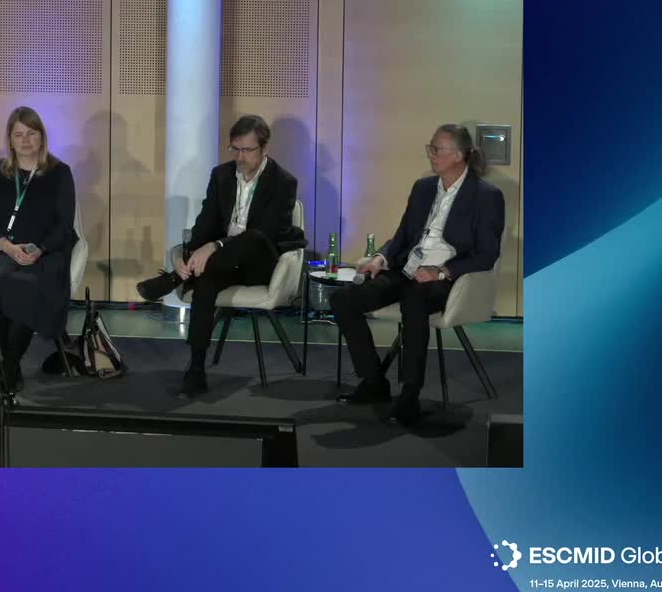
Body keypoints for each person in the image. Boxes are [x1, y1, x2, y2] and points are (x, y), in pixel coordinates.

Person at [331, 124, 504, 425]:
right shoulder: (423, 188)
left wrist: (441, 271)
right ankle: (374, 381)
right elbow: (402, 236)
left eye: (437, 149)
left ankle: (410, 395)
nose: (431, 154)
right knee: (344, 299)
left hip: (446, 280)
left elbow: (487, 255)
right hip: (407, 271)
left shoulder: (485, 196)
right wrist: (380, 258)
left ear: (459, 155)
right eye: (430, 148)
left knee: (414, 300)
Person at [140, 115, 306, 397]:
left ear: (265, 149)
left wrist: (216, 245)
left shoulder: (283, 182)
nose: (240, 157)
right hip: (223, 266)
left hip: (261, 264)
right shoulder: (221, 175)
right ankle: (196, 369)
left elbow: (267, 232)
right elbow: (205, 223)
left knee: (253, 238)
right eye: (235, 149)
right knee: (206, 281)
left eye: (247, 150)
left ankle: (172, 280)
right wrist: (189, 255)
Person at [0, 106, 78, 393]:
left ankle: (9, 364)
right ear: (9, 139)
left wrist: (39, 250)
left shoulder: (60, 173)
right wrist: (8, 247)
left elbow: (64, 225)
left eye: (31, 133)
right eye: (18, 134)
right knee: (9, 279)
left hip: (45, 253)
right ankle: (11, 365)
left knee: (26, 284)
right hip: (2, 251)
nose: (25, 140)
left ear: (42, 136)